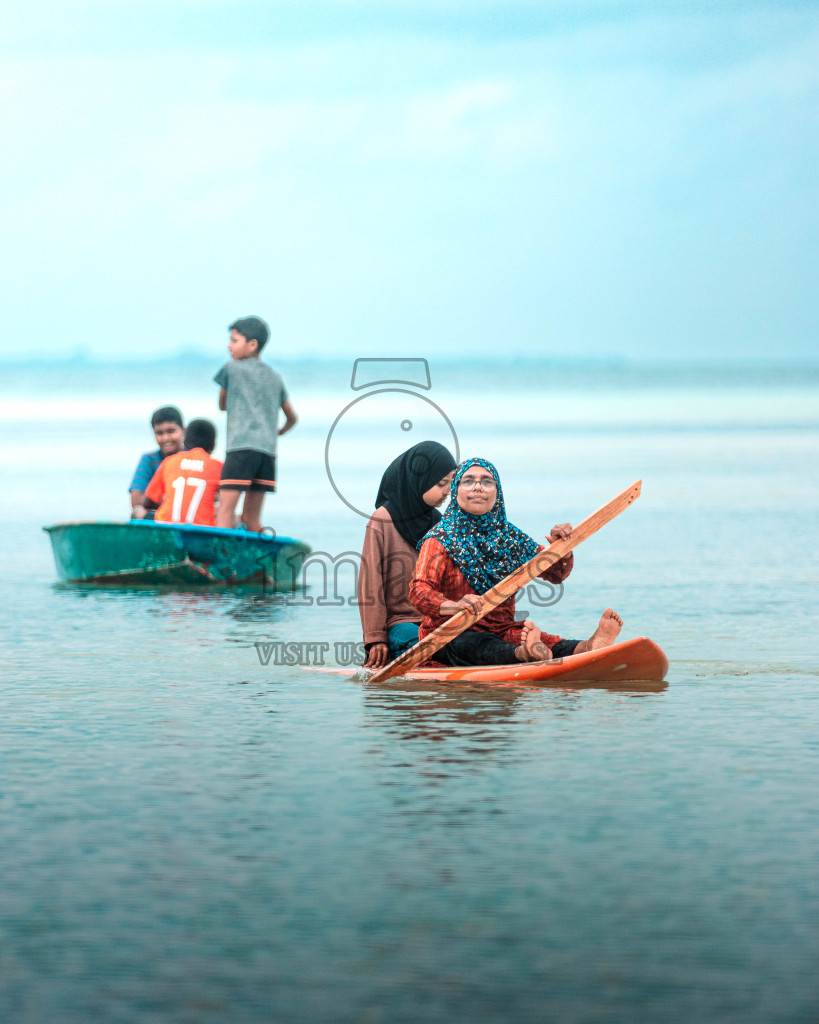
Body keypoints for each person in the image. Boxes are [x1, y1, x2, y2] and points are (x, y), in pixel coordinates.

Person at [410, 458, 624, 666]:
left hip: (502, 630)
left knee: (536, 639)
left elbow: (555, 574)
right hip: (448, 634)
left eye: (487, 481)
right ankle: (524, 654)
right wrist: (454, 606)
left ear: (497, 492)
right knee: (471, 642)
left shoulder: (509, 538)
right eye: (468, 481)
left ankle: (588, 646)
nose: (478, 487)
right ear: (456, 491)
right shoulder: (439, 539)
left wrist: (563, 549)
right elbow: (419, 591)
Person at [359, 441, 457, 669]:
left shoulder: (440, 524)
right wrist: (375, 639)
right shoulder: (382, 520)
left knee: (467, 644)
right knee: (424, 646)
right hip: (400, 624)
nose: (448, 491)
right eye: (442, 483)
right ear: (418, 479)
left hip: (438, 622)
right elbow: (370, 585)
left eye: (452, 483)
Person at [214, 316, 298, 532]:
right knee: (252, 519)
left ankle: (222, 564)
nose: (229, 346)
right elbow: (292, 417)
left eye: (234, 341)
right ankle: (263, 562)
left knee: (225, 511)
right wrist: (277, 432)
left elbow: (222, 404)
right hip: (267, 453)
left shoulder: (231, 369)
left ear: (252, 345)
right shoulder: (275, 377)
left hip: (240, 449)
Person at [142, 419, 223, 526]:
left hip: (167, 529)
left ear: (184, 441)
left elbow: (147, 502)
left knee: (140, 512)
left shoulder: (169, 461)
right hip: (201, 532)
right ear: (213, 446)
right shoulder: (218, 466)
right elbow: (224, 504)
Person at [129, 406, 185, 519]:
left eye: (171, 431)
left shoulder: (193, 458)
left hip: (189, 515)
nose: (166, 438)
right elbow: (136, 500)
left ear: (183, 430)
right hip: (161, 516)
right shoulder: (149, 459)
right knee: (137, 512)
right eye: (159, 433)